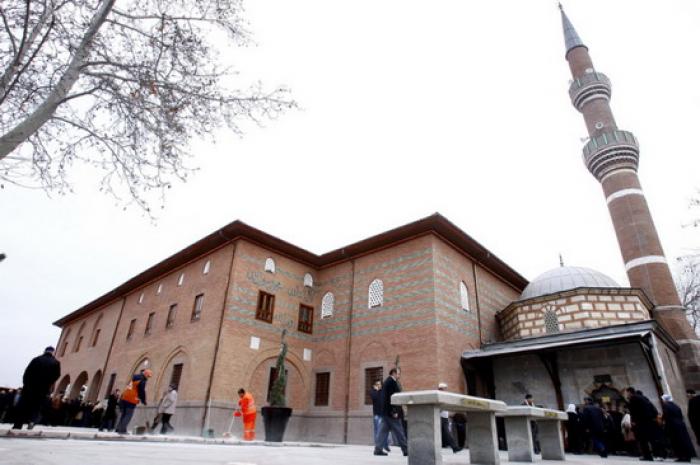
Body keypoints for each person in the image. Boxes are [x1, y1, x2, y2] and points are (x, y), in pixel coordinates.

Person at [12, 346, 61, 430]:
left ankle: (18, 425)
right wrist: (48, 383)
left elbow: (27, 372)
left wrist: (26, 384)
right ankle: (32, 421)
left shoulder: (36, 359)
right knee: (37, 407)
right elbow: (57, 375)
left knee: (24, 406)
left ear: (45, 351)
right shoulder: (56, 363)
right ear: (53, 352)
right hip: (43, 389)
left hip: (30, 387)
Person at [373, 368, 408, 456]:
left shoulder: (387, 381)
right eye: (398, 373)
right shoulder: (391, 382)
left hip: (386, 412)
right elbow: (391, 398)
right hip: (391, 413)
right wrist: (394, 411)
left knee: (382, 431)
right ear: (393, 373)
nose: (399, 376)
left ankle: (378, 449)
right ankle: (406, 450)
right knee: (399, 431)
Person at [115, 369, 152, 434]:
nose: (148, 378)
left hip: (124, 396)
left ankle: (118, 428)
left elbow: (133, 388)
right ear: (146, 374)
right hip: (131, 399)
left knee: (123, 414)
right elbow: (141, 391)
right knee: (128, 415)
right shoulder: (142, 381)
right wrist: (144, 400)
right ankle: (122, 430)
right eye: (148, 376)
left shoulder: (134, 377)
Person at [661, 394, 695, 462]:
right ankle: (687, 456)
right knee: (683, 440)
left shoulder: (666, 405)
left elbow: (666, 415)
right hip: (680, 424)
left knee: (676, 441)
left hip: (673, 425)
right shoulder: (676, 406)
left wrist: (663, 420)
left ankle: (681, 456)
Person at [625, 386, 656, 461]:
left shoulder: (633, 398)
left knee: (642, 439)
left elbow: (633, 411)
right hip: (648, 421)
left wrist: (633, 421)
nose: (626, 395)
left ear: (629, 392)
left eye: (627, 393)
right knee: (647, 438)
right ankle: (650, 454)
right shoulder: (643, 398)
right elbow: (653, 409)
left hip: (640, 422)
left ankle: (647, 455)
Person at [437, 382, 462, 453]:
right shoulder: (440, 395)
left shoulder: (443, 395)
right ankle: (454, 447)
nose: (445, 390)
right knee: (447, 433)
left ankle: (453, 447)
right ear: (441, 388)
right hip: (440, 417)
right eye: (444, 388)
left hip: (444, 417)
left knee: (445, 433)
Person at [370, 379, 390, 452]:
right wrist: (377, 390)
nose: (379, 386)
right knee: (378, 431)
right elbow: (374, 398)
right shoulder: (373, 392)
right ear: (375, 385)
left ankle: (385, 444)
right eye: (377, 384)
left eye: (380, 384)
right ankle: (378, 446)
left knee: (385, 431)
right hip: (377, 415)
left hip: (384, 414)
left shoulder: (383, 392)